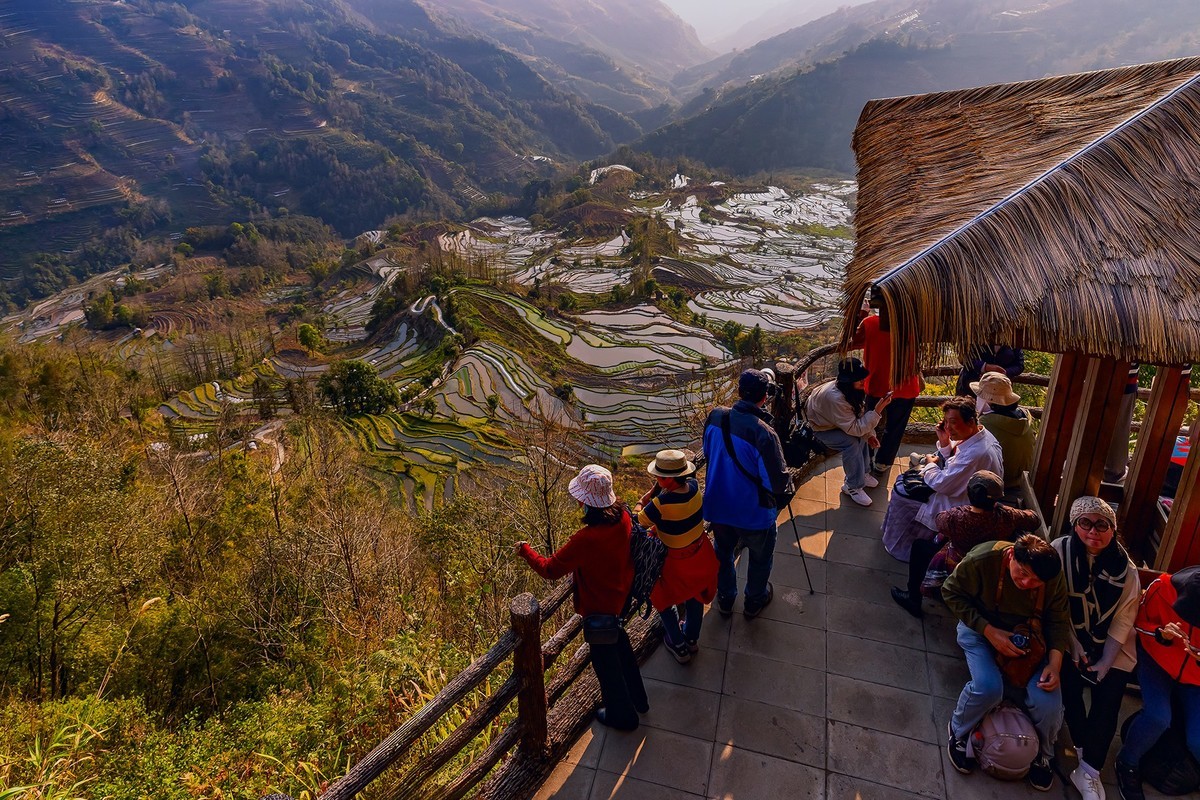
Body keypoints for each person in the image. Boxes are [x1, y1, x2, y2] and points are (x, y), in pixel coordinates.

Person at [516, 464, 648, 731]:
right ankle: (639, 699)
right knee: (621, 648)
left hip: (600, 608)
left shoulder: (587, 539)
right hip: (621, 596)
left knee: (606, 665)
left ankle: (623, 717)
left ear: (586, 501)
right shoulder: (622, 516)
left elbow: (550, 569)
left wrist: (526, 551)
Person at [943, 534, 1071, 792]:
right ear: (1011, 555)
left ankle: (1043, 753)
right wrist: (988, 631)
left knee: (1049, 704)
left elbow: (1058, 621)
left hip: (1028, 638)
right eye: (1022, 573)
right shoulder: (984, 558)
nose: (1026, 583)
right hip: (980, 629)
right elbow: (950, 591)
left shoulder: (1051, 575)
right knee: (988, 687)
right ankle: (958, 732)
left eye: (1035, 581)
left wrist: (1054, 665)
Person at [1050, 496, 1139, 800]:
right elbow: (1055, 604)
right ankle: (1083, 745)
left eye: (1102, 525)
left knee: (1110, 692)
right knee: (1069, 682)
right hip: (1067, 633)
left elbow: (1124, 619)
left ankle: (1088, 770)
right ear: (1075, 525)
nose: (1093, 531)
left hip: (1110, 643)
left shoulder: (1125, 570)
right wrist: (1073, 645)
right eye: (1085, 523)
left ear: (1113, 529)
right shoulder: (1059, 551)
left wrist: (1105, 661)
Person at [703, 368, 792, 619]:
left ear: (739, 392)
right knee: (760, 559)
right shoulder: (763, 433)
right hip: (754, 513)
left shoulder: (716, 418)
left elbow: (709, 453)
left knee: (723, 554)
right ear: (765, 397)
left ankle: (726, 598)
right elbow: (775, 483)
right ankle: (754, 601)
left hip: (719, 508)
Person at [891, 470, 1040, 618]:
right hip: (989, 565)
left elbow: (939, 520)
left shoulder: (958, 517)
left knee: (920, 547)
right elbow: (1034, 519)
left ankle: (913, 598)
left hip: (960, 562)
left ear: (970, 494)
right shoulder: (1007, 516)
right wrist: (1005, 509)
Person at [1114, 566, 1200, 800]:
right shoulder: (1163, 587)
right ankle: (1127, 762)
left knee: (1197, 740)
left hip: (1195, 678)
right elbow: (1138, 622)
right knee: (1158, 717)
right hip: (1157, 662)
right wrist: (1161, 633)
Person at [881, 396, 1004, 561]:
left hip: (962, 502)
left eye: (953, 422)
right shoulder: (983, 434)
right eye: (945, 421)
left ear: (971, 421)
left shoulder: (977, 453)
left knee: (901, 495)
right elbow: (956, 465)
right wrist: (945, 443)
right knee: (904, 483)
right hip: (961, 489)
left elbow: (942, 484)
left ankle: (901, 546)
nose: (948, 427)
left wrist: (931, 464)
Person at [634, 449, 718, 664]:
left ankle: (678, 645)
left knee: (661, 598)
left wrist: (641, 502)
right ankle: (691, 638)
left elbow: (638, 523)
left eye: (658, 476)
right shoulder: (694, 488)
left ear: (665, 479)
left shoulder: (660, 505)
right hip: (698, 551)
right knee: (694, 594)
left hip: (673, 560)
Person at [804, 357, 893, 506]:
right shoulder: (836, 399)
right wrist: (877, 411)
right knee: (851, 442)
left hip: (834, 423)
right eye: (859, 379)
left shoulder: (848, 391)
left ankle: (863, 474)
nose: (863, 382)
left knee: (861, 437)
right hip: (820, 429)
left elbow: (857, 417)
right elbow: (855, 428)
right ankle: (852, 486)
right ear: (849, 381)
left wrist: (869, 435)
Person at [851, 308, 921, 474]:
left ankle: (866, 460)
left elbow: (854, 341)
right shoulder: (914, 324)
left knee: (868, 424)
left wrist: (861, 314)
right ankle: (883, 462)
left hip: (877, 384)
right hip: (906, 386)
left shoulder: (870, 323)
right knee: (895, 428)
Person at [974, 373, 1036, 490]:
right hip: (1021, 483)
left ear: (989, 401)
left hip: (993, 485)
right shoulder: (1025, 418)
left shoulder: (984, 425)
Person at [956, 344, 1024, 397]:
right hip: (969, 384)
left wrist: (1003, 372)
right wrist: (985, 367)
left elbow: (1019, 365)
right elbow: (964, 357)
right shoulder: (975, 332)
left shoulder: (1013, 337)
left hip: (999, 389)